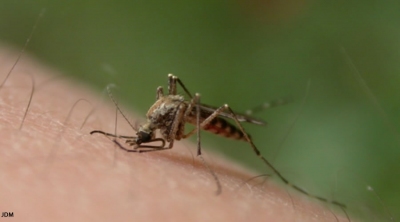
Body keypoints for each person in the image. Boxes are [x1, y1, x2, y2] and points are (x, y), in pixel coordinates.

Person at [0, 47, 347, 221]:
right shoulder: (152, 125)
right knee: (172, 94)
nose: (143, 138)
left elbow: (179, 106)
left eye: (142, 136)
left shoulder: (167, 126)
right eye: (143, 136)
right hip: (181, 116)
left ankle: (264, 165)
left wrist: (191, 120)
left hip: (202, 115)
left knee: (194, 102)